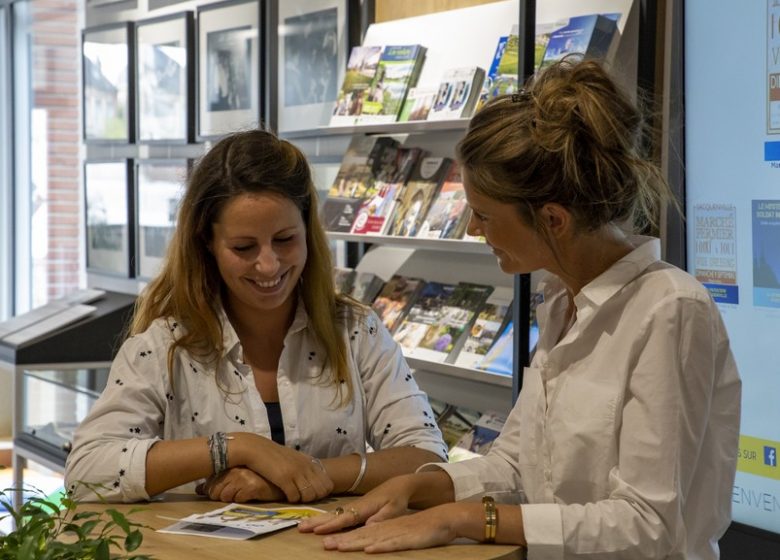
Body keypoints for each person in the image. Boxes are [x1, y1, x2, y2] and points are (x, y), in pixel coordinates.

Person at [299, 58, 741, 559]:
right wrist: (420, 487)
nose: (471, 230)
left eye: (483, 214)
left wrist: (463, 517)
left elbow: (648, 523)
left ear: (552, 219)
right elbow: (517, 464)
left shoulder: (671, 311)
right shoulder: (560, 302)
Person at [65, 129, 447, 504]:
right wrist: (236, 448)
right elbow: (85, 472)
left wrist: (296, 476)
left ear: (308, 231)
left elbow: (427, 458)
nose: (268, 265)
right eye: (244, 247)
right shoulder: (166, 344)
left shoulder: (355, 331)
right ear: (207, 244)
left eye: (285, 240)